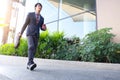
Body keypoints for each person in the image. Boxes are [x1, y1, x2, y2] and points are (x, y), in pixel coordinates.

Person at [18, 3, 46, 71]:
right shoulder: (30, 14)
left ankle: (29, 64)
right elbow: (25, 24)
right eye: (38, 6)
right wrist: (20, 33)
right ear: (35, 7)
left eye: (41, 7)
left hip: (36, 35)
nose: (40, 7)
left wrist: (44, 28)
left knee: (34, 49)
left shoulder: (42, 18)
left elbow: (42, 27)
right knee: (31, 46)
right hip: (30, 33)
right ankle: (30, 62)